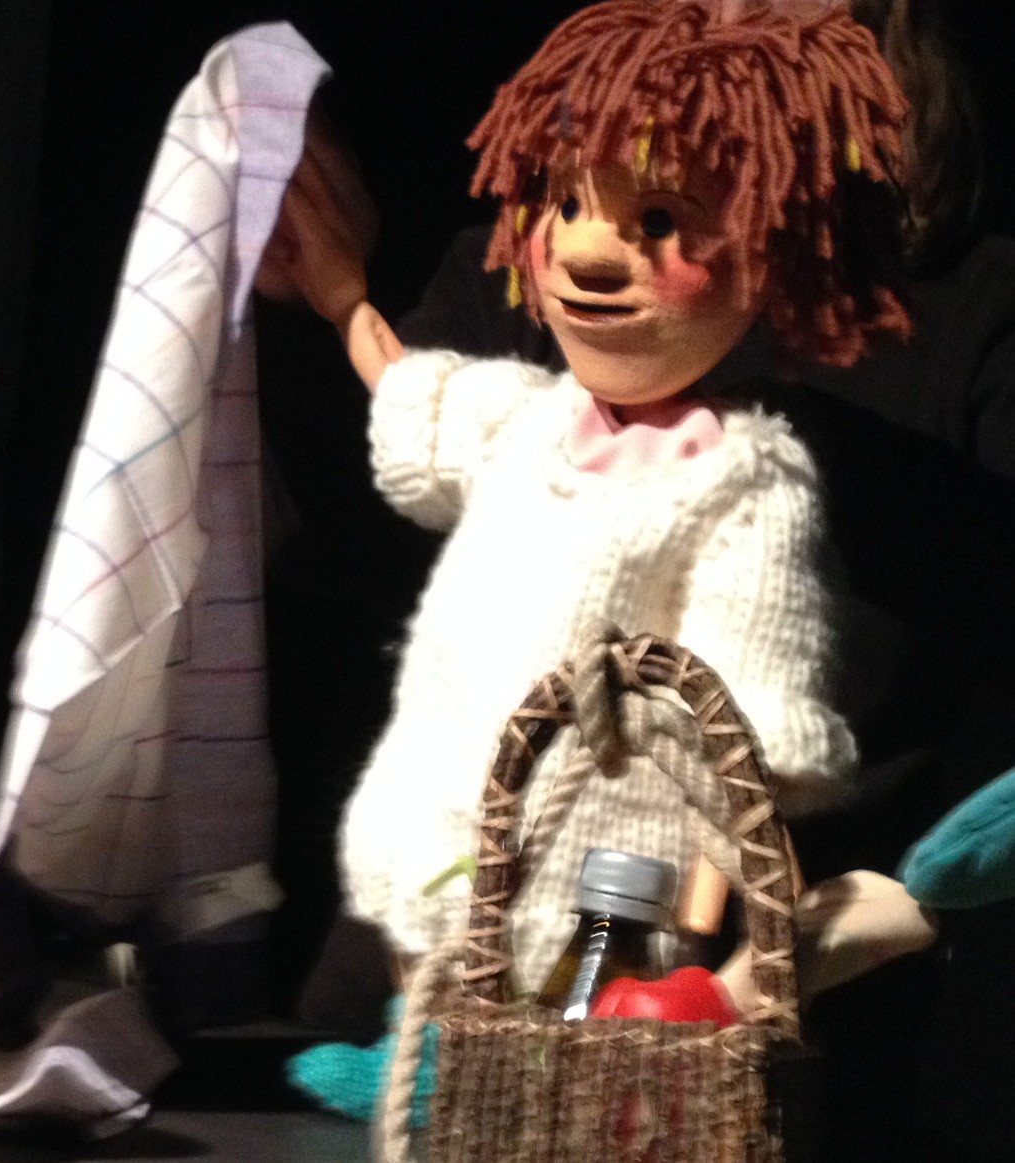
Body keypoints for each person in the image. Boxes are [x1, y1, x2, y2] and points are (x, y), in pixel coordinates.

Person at [274, 0, 910, 988]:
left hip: (591, 894)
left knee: (555, 1056)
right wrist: (341, 297)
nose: (583, 253)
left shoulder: (739, 480)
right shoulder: (531, 421)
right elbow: (411, 394)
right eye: (567, 207)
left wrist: (705, 943)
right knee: (423, 1041)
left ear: (765, 256)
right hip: (429, 846)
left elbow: (741, 736)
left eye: (658, 223)